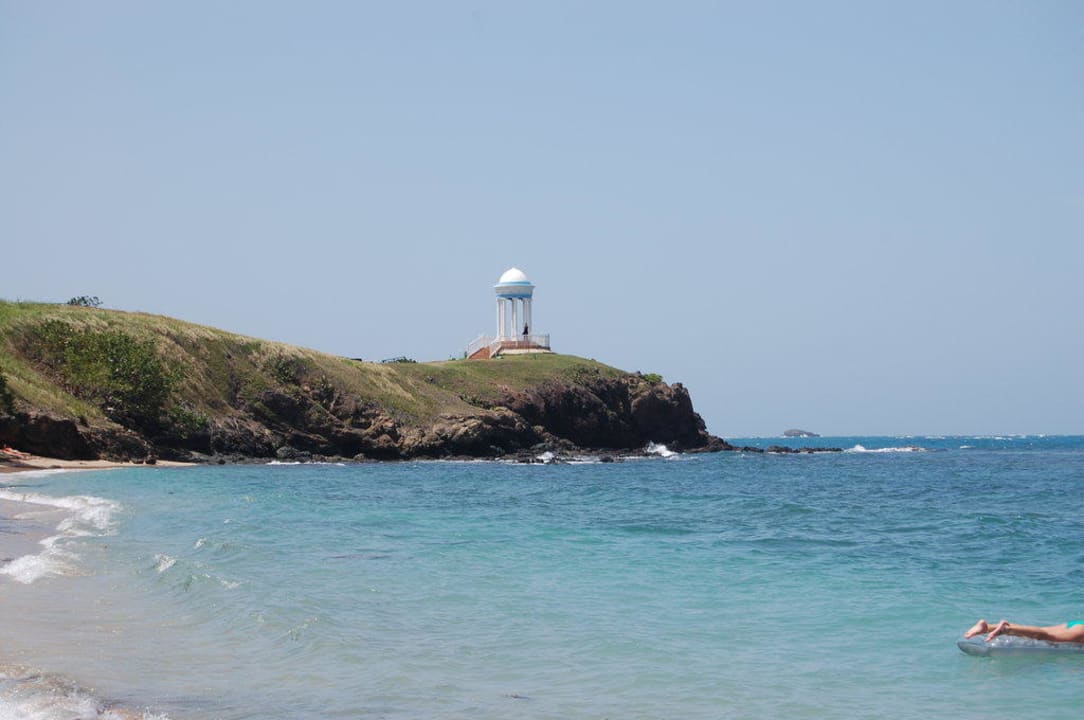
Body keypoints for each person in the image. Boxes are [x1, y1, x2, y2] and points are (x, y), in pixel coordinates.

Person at [964, 618, 1084, 643]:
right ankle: (1005, 629)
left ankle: (987, 627)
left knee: (1043, 631)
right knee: (1048, 637)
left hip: (1077, 624)